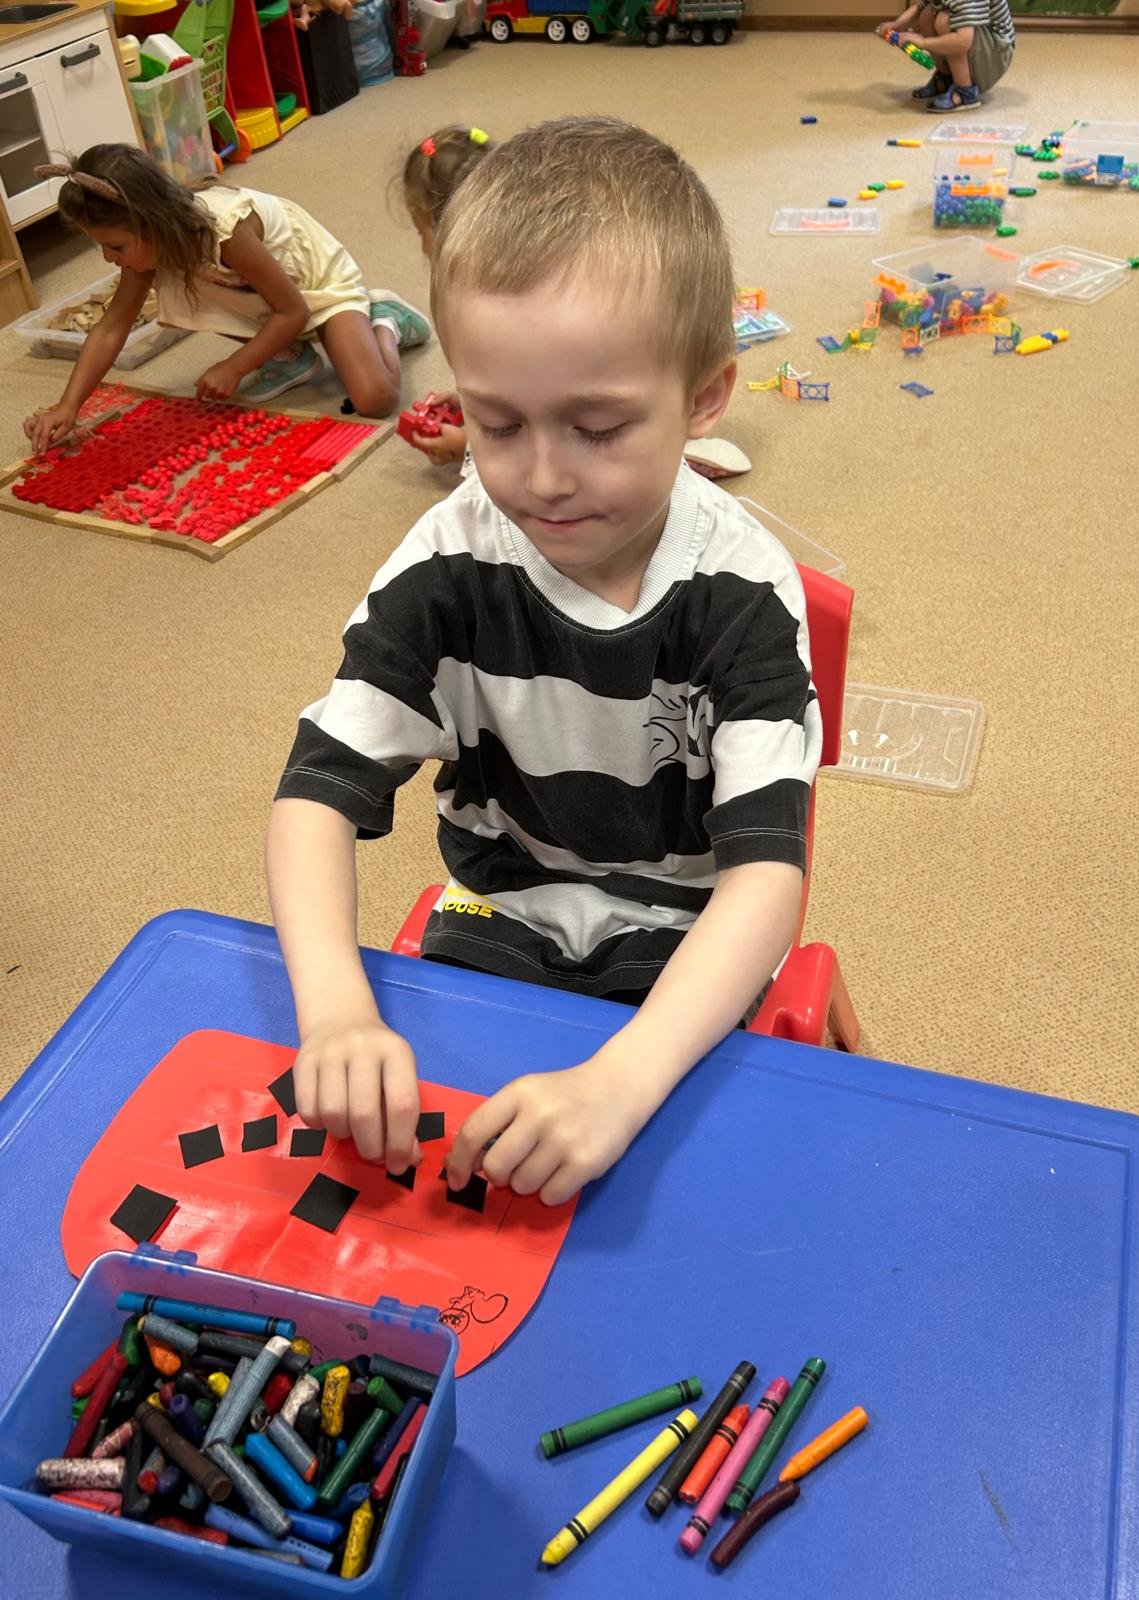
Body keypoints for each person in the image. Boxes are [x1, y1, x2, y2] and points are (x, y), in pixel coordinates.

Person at [266, 116, 821, 1207]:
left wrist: (622, 1081)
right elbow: (316, 793)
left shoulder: (743, 593)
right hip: (499, 923)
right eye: (497, 423)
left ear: (706, 396)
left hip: (682, 955)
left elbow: (766, 876)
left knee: (702, 1212)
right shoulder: (447, 566)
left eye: (598, 428)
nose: (545, 479)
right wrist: (332, 1012)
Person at [22, 145, 430, 454]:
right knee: (181, 293)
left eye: (115, 246)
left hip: (317, 287)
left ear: (151, 222)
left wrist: (234, 366)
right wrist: (68, 406)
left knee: (374, 399)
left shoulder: (226, 228)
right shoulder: (149, 245)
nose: (109, 258)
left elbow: (294, 310)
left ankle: (384, 321)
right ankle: (289, 356)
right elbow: (111, 329)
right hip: (262, 297)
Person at [395, 124, 494, 468]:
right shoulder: (488, 290)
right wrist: (474, 402)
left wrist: (468, 447)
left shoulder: (495, 315)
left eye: (423, 230)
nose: (423, 246)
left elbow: (547, 414)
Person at [878, 0, 1015, 112]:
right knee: (927, 14)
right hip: (979, 45)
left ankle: (965, 91)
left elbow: (962, 41)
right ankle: (947, 77)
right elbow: (920, 8)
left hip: (996, 55)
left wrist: (923, 42)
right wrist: (896, 25)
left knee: (945, 20)